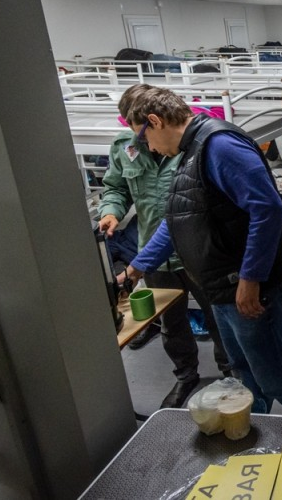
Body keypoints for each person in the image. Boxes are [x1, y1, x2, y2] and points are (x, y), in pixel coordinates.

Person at [122, 84, 282, 416]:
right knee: (245, 372)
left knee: (277, 375)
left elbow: (267, 209)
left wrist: (251, 278)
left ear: (155, 121)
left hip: (252, 288)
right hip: (224, 289)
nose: (149, 148)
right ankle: (258, 429)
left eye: (144, 138)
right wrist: (136, 268)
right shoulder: (192, 151)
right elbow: (178, 219)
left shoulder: (218, 145)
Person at [98, 99, 231, 408]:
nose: (138, 136)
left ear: (154, 120)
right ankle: (186, 375)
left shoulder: (188, 145)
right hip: (153, 254)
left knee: (219, 317)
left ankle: (231, 374)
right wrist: (111, 211)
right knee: (171, 323)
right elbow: (116, 188)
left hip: (195, 249)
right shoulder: (124, 147)